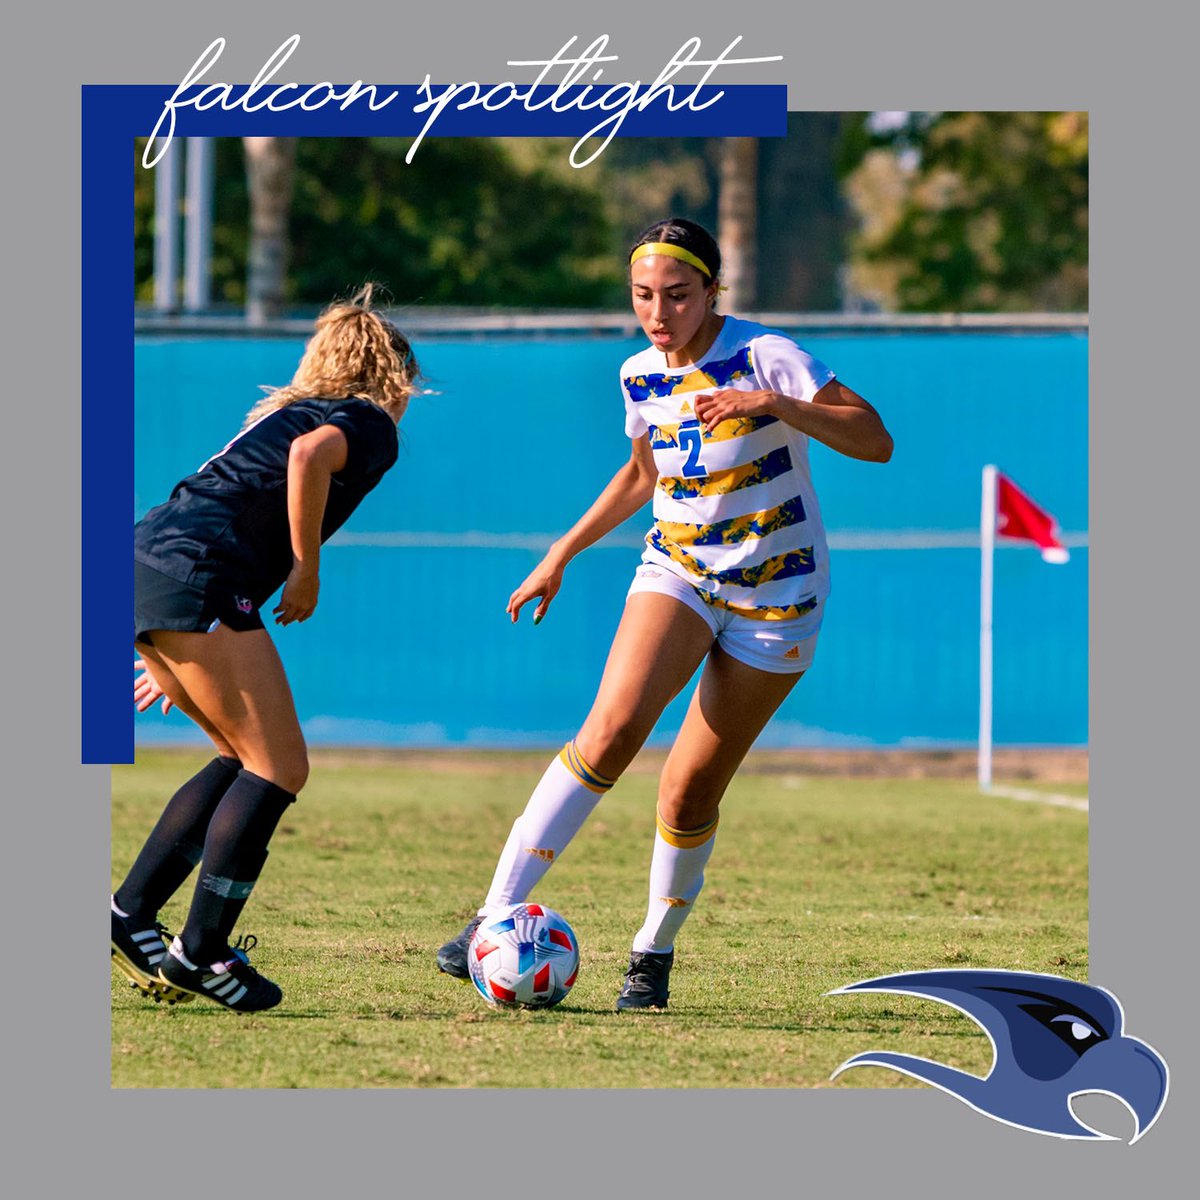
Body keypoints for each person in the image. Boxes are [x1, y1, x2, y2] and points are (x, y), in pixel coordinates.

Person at [437, 218, 893, 1009]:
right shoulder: (639, 374)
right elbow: (641, 475)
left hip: (777, 598)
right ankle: (494, 913)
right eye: (643, 295)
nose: (659, 312)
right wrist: (560, 553)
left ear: (713, 290)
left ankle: (651, 955)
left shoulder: (765, 354)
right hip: (678, 568)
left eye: (678, 295)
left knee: (687, 794)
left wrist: (775, 402)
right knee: (611, 730)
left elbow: (875, 439)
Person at [113, 284, 420, 1013]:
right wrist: (307, 568)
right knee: (279, 768)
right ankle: (202, 951)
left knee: (238, 758)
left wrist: (170, 644)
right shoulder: (367, 420)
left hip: (147, 570)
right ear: (395, 375)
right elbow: (311, 459)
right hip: (196, 580)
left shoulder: (290, 413)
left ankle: (130, 915)